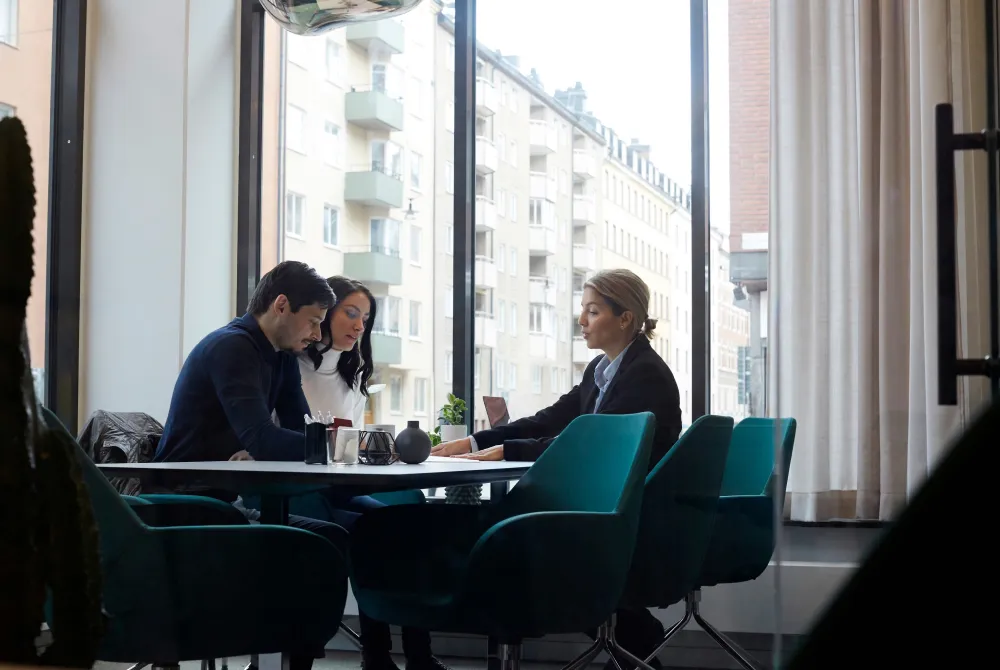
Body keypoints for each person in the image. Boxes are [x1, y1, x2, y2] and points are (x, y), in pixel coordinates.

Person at [154, 262, 446, 670]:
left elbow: (303, 435)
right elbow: (264, 438)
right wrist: (352, 447)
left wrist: (343, 448)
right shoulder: (231, 347)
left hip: (229, 502)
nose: (314, 334)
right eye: (312, 321)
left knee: (358, 533)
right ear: (280, 305)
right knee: (323, 542)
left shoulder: (281, 357)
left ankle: (340, 656)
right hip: (192, 506)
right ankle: (301, 655)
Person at [431, 268, 682, 669]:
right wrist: (480, 440)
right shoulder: (600, 371)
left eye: (593, 311)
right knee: (511, 536)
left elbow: (594, 445)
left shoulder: (645, 375)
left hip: (632, 518)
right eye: (583, 310)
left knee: (515, 543)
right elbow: (550, 420)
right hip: (605, 508)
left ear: (626, 319)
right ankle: (634, 633)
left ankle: (632, 633)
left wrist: (506, 450)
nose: (581, 321)